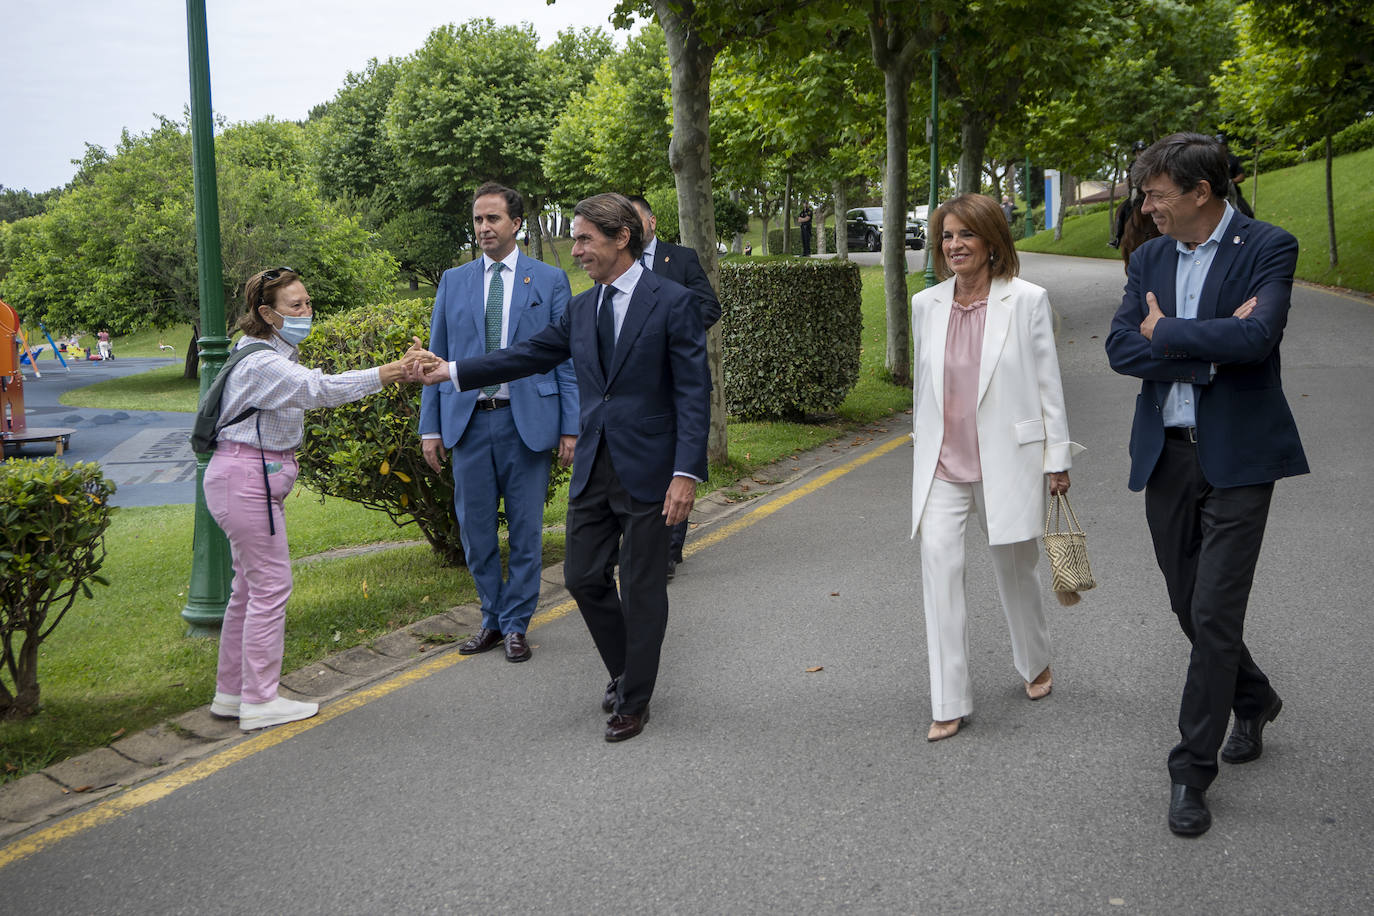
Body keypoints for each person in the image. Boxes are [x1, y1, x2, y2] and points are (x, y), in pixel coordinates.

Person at [420, 193, 709, 743]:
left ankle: (634, 697)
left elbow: (694, 394)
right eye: (575, 238)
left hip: (651, 469)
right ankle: (628, 670)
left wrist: (685, 473)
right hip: (595, 466)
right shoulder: (582, 307)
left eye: (584, 239)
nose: (575, 250)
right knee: (581, 576)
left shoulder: (671, 302)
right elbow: (526, 356)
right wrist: (452, 372)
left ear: (620, 238)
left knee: (643, 586)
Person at [1105, 133, 1306, 837]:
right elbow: (1121, 347)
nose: (1146, 205)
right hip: (1169, 456)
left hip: (1242, 459)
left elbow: (1259, 341)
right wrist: (1200, 349)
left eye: (1157, 193)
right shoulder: (1151, 255)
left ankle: (1190, 773)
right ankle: (1253, 698)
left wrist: (1171, 333)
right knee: (1189, 608)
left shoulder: (1268, 247)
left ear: (1200, 192)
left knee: (1215, 616)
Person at [205, 267, 431, 730]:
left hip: (242, 476)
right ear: (266, 313)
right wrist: (391, 372)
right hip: (248, 478)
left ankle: (233, 695)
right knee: (269, 588)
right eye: (295, 306)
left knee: (248, 591)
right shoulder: (263, 361)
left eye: (308, 303)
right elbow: (318, 389)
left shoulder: (261, 350)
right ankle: (260, 701)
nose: (306, 312)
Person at [910, 193, 1081, 743]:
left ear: (991, 243)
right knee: (939, 571)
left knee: (1015, 570)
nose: (954, 246)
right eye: (946, 236)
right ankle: (948, 700)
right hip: (942, 466)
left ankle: (1034, 661)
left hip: (1007, 462)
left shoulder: (1027, 300)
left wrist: (1056, 460)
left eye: (965, 235)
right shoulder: (927, 305)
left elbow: (1048, 386)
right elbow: (924, 392)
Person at [418, 183, 577, 663]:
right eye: (477, 220)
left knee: (526, 529)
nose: (484, 228)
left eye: (493, 219)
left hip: (525, 422)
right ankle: (490, 617)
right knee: (476, 529)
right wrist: (431, 427)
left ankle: (516, 624)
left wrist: (571, 425)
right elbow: (434, 358)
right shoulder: (453, 280)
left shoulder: (549, 280)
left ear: (517, 224)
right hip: (467, 423)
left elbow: (565, 360)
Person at [627, 194, 720, 579]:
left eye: (634, 220)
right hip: (636, 384)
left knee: (677, 461)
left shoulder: (679, 259)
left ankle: (668, 550)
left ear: (651, 222)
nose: (629, 228)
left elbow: (709, 307)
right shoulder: (621, 266)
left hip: (676, 376)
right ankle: (646, 543)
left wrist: (669, 333)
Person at [1217, 133, 1255, 218]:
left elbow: (1241, 176)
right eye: (1219, 145)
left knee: (1247, 213)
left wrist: (1231, 182)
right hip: (1218, 194)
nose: (1221, 147)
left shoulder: (1233, 159)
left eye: (1223, 145)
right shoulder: (1212, 160)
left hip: (1233, 192)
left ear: (1226, 145)